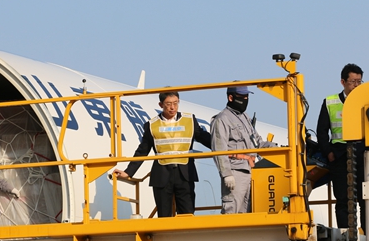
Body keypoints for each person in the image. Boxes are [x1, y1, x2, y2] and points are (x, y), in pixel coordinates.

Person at [113, 91, 211, 217]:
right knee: (164, 216)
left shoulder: (189, 120)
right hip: (162, 175)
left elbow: (204, 137)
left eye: (175, 103)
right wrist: (128, 172)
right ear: (161, 105)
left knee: (187, 214)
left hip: (185, 174)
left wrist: (226, 148)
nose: (172, 107)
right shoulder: (152, 125)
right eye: (168, 104)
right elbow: (143, 150)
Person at [315, 63, 366, 230]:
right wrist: (328, 153)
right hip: (339, 156)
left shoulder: (367, 101)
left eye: (359, 81)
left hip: (362, 155)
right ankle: (345, 235)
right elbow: (322, 131)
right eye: (353, 81)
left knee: (365, 199)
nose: (356, 85)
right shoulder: (330, 102)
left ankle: (367, 235)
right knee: (343, 198)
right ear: (343, 82)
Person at [211, 85, 275, 214]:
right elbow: (219, 149)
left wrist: (277, 148)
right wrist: (226, 174)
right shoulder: (222, 119)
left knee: (249, 212)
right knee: (232, 212)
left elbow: (257, 143)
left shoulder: (245, 117)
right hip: (235, 172)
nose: (245, 99)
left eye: (246, 97)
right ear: (230, 98)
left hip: (251, 171)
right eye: (241, 97)